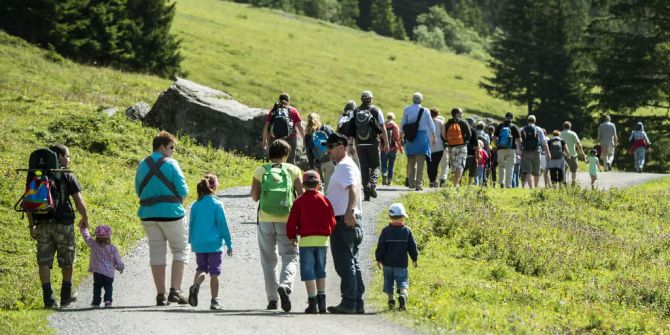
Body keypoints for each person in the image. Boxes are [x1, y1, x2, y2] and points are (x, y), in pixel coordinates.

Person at [29, 144, 89, 308]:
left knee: (44, 261)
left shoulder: (35, 174)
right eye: (67, 156)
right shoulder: (67, 175)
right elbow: (79, 201)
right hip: (64, 224)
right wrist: (85, 218)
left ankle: (48, 299)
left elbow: (29, 203)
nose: (69, 159)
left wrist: (31, 225)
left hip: (42, 223)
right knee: (67, 259)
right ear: (59, 157)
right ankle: (65, 295)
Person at [135, 131, 190, 306]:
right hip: (172, 214)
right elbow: (184, 191)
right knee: (180, 249)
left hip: (148, 215)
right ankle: (175, 290)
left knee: (157, 252)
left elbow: (138, 190)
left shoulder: (142, 164)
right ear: (162, 147)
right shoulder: (172, 164)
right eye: (171, 147)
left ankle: (161, 294)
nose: (173, 151)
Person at [250, 139, 303, 312]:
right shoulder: (294, 170)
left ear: (270, 154)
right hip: (287, 220)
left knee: (268, 260)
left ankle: (272, 300)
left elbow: (254, 197)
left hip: (265, 219)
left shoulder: (260, 170)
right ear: (286, 154)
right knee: (289, 255)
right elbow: (301, 197)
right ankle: (286, 285)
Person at [323, 133, 365, 314]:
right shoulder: (348, 165)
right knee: (352, 262)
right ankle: (356, 302)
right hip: (348, 219)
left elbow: (353, 189)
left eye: (331, 147)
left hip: (344, 219)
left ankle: (349, 302)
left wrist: (349, 210)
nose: (328, 151)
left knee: (344, 263)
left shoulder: (345, 166)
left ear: (342, 146)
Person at [286, 170, 336, 314]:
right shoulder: (325, 200)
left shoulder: (299, 201)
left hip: (306, 241)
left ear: (303, 185)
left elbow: (291, 222)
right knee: (321, 270)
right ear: (319, 184)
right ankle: (322, 303)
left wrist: (292, 236)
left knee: (309, 272)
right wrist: (328, 232)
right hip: (322, 241)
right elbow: (332, 221)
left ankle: (312, 303)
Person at [187, 173, 233, 311]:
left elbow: (192, 223)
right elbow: (223, 225)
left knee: (201, 268)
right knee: (214, 272)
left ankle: (195, 285)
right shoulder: (217, 204)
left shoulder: (195, 204)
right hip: (214, 245)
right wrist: (229, 243)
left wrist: (191, 241)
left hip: (199, 243)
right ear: (214, 187)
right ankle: (214, 301)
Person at [375, 203, 418, 312]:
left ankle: (391, 301)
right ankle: (403, 294)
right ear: (402, 217)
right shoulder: (407, 231)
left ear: (390, 217)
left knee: (388, 282)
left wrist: (379, 259)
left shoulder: (385, 231)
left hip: (387, 264)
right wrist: (415, 259)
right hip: (401, 264)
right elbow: (412, 247)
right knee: (402, 281)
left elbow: (381, 246)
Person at [347, 91, 389, 201]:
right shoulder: (376, 110)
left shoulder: (356, 111)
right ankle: (371, 185)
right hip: (373, 143)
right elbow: (382, 128)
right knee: (376, 166)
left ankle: (366, 194)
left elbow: (351, 130)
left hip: (359, 143)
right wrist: (386, 143)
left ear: (361, 99)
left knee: (364, 168)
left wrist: (351, 145)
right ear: (371, 99)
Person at [79, 224, 124, 308]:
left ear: (96, 236)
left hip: (97, 271)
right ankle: (108, 301)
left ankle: (96, 302)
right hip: (109, 273)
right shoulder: (113, 248)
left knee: (97, 286)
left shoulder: (94, 245)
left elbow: (86, 237)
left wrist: (83, 228)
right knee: (108, 287)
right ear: (109, 236)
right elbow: (118, 261)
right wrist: (120, 267)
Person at [400, 93, 436, 191]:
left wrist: (401, 137)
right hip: (421, 138)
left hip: (410, 138)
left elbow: (403, 124)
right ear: (421, 100)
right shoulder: (425, 111)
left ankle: (411, 183)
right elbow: (431, 126)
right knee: (421, 163)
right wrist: (433, 137)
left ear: (413, 100)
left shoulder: (407, 109)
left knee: (412, 162)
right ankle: (418, 185)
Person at [262, 93, 305, 165]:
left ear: (279, 100)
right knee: (290, 160)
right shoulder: (293, 111)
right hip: (290, 138)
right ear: (289, 101)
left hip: (275, 138)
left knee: (274, 158)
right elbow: (300, 127)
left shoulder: (274, 110)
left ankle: (273, 174)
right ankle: (289, 175)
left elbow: (266, 126)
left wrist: (264, 140)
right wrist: (304, 139)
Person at [304, 113, 335, 190]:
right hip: (329, 160)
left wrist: (312, 166)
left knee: (317, 187)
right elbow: (335, 142)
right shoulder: (326, 129)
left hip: (317, 163)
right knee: (329, 186)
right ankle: (328, 201)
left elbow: (309, 152)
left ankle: (319, 200)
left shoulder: (308, 135)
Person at [519, 115, 551, 189]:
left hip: (526, 151)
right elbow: (544, 142)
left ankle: (531, 188)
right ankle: (536, 188)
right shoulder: (539, 129)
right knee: (537, 171)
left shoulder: (522, 129)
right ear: (535, 121)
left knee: (528, 171)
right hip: (536, 151)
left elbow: (519, 141)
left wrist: (520, 151)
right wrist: (548, 153)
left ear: (527, 121)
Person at [444, 108, 471, 186]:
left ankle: (453, 183)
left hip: (451, 147)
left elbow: (445, 134)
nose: (462, 114)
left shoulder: (448, 122)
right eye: (461, 113)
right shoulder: (463, 122)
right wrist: (464, 141)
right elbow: (469, 135)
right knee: (460, 165)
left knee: (453, 165)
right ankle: (456, 183)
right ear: (457, 114)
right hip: (461, 146)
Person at [494, 112, 521, 188]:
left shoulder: (500, 126)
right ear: (511, 118)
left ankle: (501, 182)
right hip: (511, 149)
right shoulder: (514, 127)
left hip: (500, 149)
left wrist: (497, 145)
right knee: (510, 167)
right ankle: (508, 185)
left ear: (505, 117)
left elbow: (494, 137)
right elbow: (519, 140)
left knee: (501, 166)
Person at [560, 121, 586, 186]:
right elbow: (578, 144)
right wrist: (582, 153)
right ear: (570, 126)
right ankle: (573, 182)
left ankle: (564, 181)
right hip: (572, 154)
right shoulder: (573, 133)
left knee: (563, 169)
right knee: (573, 170)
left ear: (563, 126)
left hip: (563, 155)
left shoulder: (560, 134)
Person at [381, 112, 403, 186]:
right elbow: (397, 139)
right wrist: (400, 149)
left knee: (383, 163)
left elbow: (379, 136)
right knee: (391, 165)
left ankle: (384, 174)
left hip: (383, 148)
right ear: (393, 118)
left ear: (387, 117)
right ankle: (389, 180)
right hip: (393, 149)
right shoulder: (395, 126)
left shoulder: (382, 124)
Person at [338, 100, 360, 168]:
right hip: (353, 142)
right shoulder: (356, 116)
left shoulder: (341, 116)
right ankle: (359, 177)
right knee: (356, 161)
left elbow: (338, 130)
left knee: (345, 162)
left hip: (343, 143)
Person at [427, 108, 445, 188]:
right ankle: (434, 181)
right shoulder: (441, 122)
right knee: (435, 165)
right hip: (439, 146)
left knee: (429, 165)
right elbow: (444, 136)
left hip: (427, 146)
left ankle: (431, 181)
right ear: (437, 114)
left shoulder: (426, 122)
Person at [464, 117, 479, 185]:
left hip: (462, 152)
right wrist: (477, 154)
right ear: (472, 123)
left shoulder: (461, 129)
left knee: (462, 169)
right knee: (472, 169)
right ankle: (469, 184)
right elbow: (476, 143)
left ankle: (458, 183)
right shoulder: (473, 130)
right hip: (471, 154)